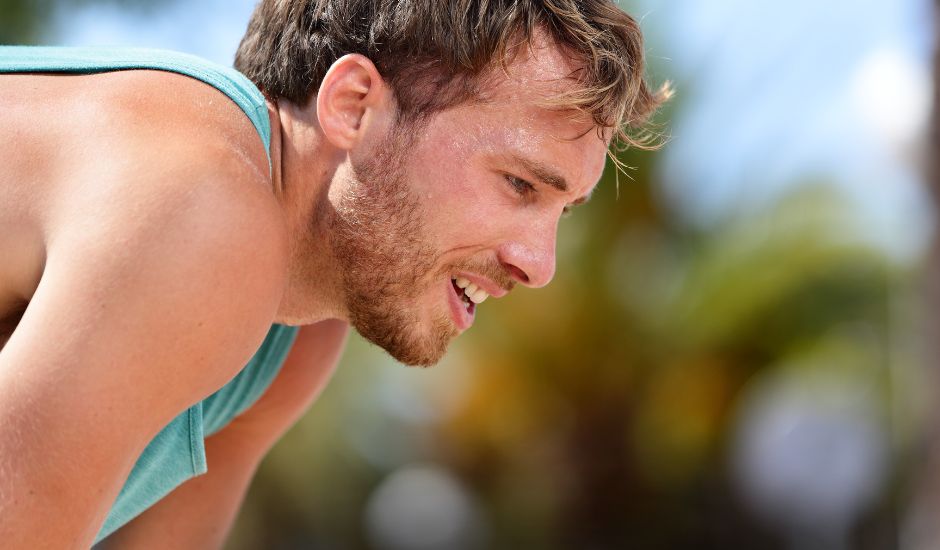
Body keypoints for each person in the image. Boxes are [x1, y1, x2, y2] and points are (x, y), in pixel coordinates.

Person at [0, 0, 668, 547]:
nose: (540, 264)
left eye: (563, 212)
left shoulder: (295, 336)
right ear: (353, 107)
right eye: (520, 184)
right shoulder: (202, 206)